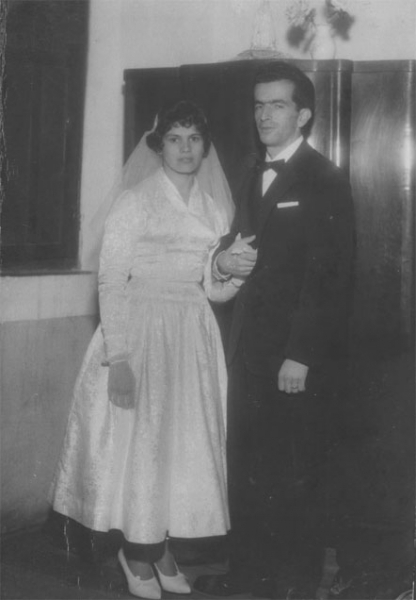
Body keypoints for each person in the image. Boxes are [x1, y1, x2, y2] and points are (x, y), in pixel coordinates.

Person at [50, 100, 242, 600]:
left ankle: (161, 548)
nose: (185, 149)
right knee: (144, 446)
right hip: (140, 329)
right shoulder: (135, 200)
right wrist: (119, 358)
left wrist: (228, 272)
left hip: (192, 333)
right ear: (159, 146)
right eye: (174, 139)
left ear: (205, 146)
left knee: (181, 445)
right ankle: (137, 552)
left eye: (194, 139)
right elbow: (111, 279)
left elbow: (214, 289)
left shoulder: (215, 206)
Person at [194, 61, 355, 599]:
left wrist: (301, 355)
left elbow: (330, 276)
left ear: (303, 115)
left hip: (292, 358)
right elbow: (234, 243)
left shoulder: (324, 177)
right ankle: (248, 575)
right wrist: (222, 262)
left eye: (278, 105)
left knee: (294, 472)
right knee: (247, 468)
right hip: (248, 352)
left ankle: (295, 584)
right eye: (259, 105)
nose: (264, 115)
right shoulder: (250, 172)